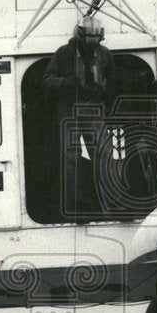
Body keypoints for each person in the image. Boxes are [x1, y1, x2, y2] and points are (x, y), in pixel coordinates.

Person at [42, 15, 118, 220]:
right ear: (80, 36)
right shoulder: (63, 53)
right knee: (71, 159)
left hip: (95, 109)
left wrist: (109, 109)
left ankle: (109, 207)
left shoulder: (104, 54)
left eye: (96, 42)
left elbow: (112, 83)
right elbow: (47, 80)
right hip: (70, 110)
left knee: (104, 157)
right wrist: (66, 82)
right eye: (88, 42)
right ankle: (74, 208)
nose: (92, 47)